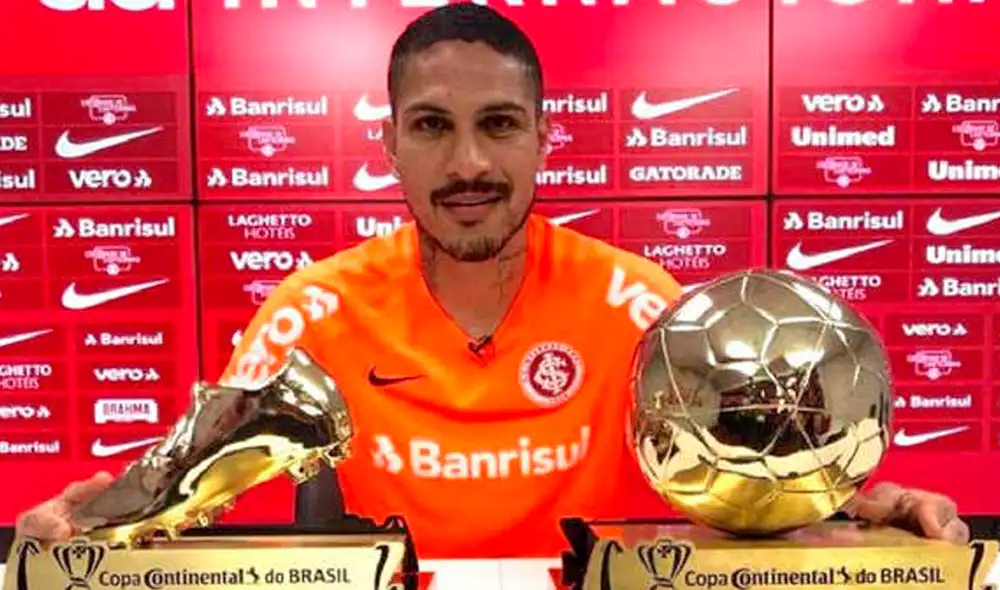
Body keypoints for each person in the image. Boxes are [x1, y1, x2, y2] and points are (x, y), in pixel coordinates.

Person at [16, 3, 969, 559]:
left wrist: (851, 504)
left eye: (500, 124)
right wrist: (84, 520)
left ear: (546, 136)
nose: (468, 162)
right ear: (387, 145)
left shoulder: (641, 303)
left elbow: (745, 460)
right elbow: (183, 477)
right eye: (431, 126)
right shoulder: (313, 309)